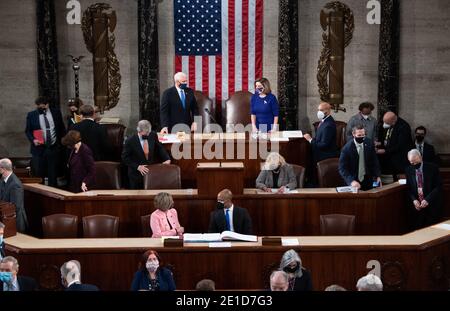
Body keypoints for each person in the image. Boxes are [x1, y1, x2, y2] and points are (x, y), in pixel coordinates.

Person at [25, 96, 66, 187]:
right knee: (39, 175)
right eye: (39, 107)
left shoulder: (56, 112)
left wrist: (61, 142)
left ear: (47, 105)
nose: (41, 109)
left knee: (53, 174)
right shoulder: (32, 115)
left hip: (54, 148)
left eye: (43, 107)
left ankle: (53, 196)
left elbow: (61, 128)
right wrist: (33, 140)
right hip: (39, 149)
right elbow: (27, 131)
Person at [122, 120, 171, 189]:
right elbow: (125, 158)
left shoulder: (153, 135)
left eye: (149, 132)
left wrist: (167, 158)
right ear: (139, 131)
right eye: (146, 133)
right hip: (136, 175)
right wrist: (137, 167)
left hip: (151, 173)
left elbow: (159, 148)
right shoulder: (130, 141)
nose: (148, 135)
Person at [405, 149, 443, 230]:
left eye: (416, 162)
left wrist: (427, 200)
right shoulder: (408, 170)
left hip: (431, 204)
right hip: (417, 207)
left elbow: (438, 186)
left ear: (421, 158)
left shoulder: (433, 168)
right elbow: (408, 188)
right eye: (412, 163)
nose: (414, 164)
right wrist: (414, 200)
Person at [339, 125, 382, 191]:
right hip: (353, 180)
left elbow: (374, 161)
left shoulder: (369, 143)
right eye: (359, 135)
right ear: (353, 134)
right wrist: (351, 181)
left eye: (363, 135)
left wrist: (378, 176)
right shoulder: (346, 149)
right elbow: (342, 169)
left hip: (368, 179)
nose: (362, 137)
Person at [376, 111, 413, 176]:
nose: (384, 124)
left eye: (387, 123)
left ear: (393, 121)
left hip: (399, 160)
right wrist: (379, 143)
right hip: (389, 159)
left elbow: (400, 145)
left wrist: (384, 151)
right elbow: (389, 139)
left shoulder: (404, 127)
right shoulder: (391, 123)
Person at [0, 159, 28, 232]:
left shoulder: (15, 184)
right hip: (5, 218)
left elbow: (15, 207)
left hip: (14, 222)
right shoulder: (3, 179)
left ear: (3, 169)